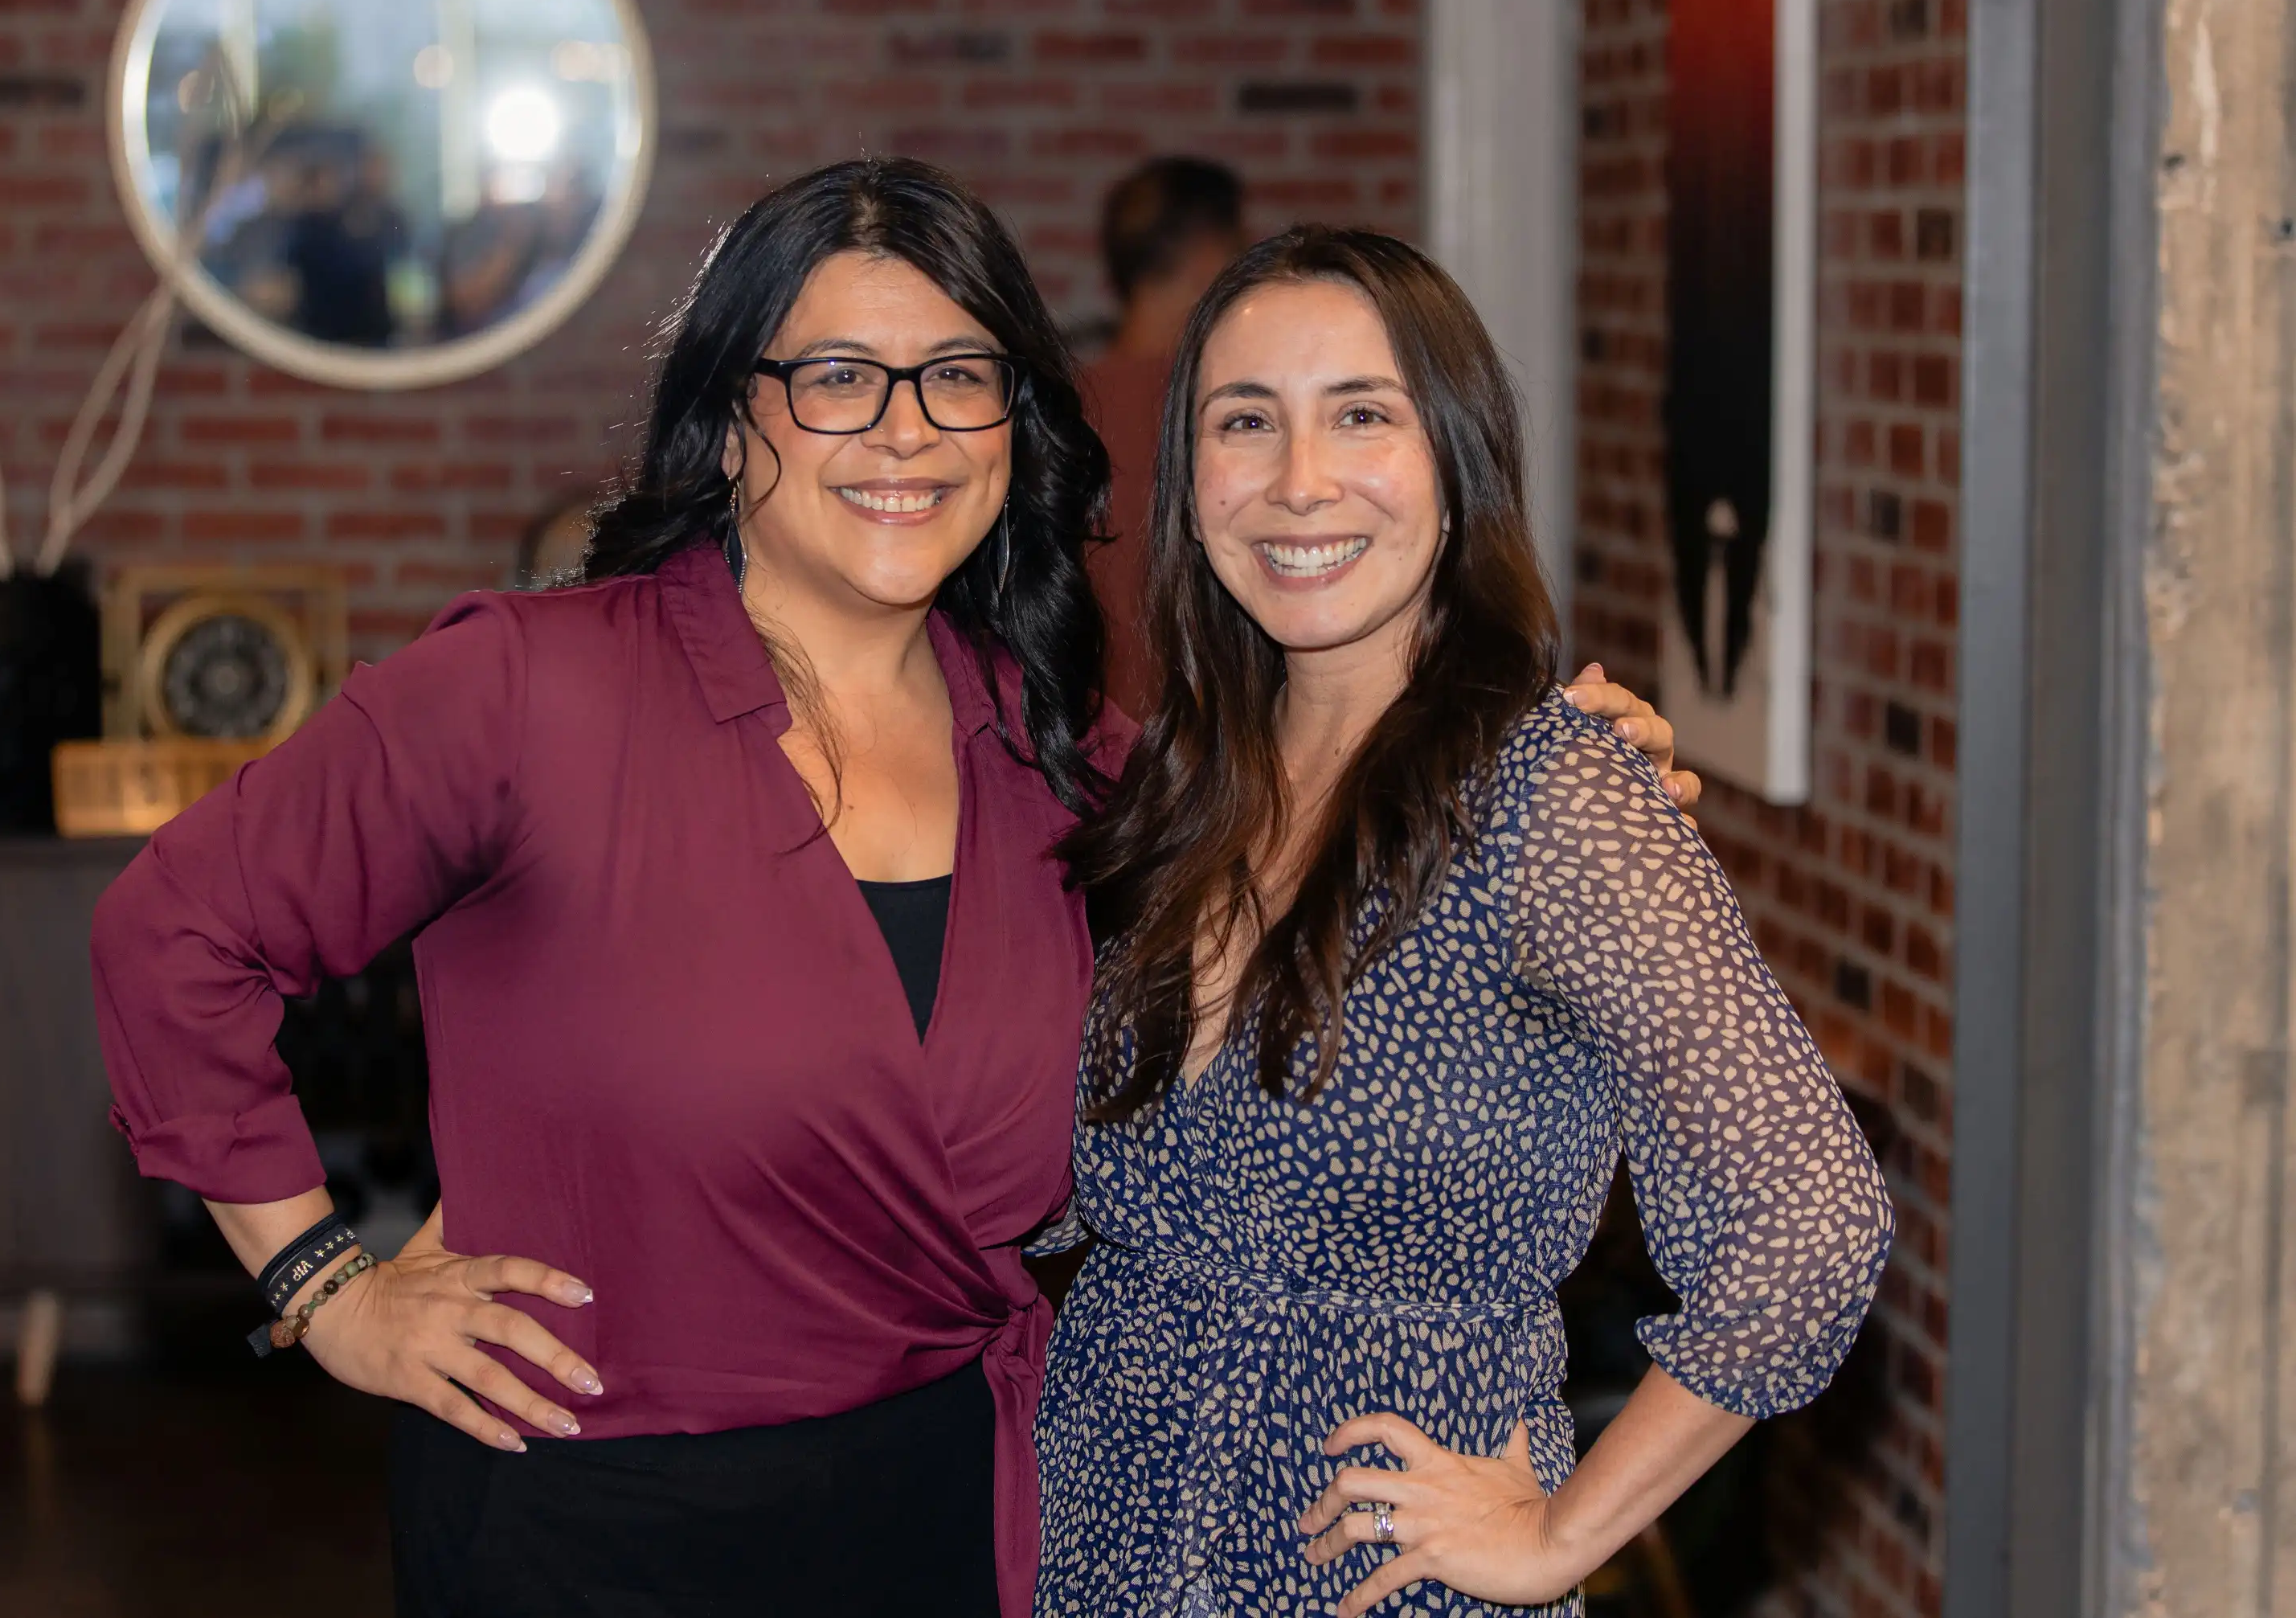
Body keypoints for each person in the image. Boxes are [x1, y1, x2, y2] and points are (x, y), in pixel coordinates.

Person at [92, 160, 1696, 1618]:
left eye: (956, 381)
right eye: (839, 381)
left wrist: (1519, 770)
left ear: (1016, 426)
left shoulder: (1075, 767)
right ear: (733, 421)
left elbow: (1318, 836)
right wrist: (322, 1285)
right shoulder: (527, 694)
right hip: (591, 1532)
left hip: (954, 1521)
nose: (905, 434)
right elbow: (173, 936)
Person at [1033, 228, 1892, 1616]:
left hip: (1381, 1568)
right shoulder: (1172, 790)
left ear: (1455, 462)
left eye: (1360, 415)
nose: (1299, 480)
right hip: (1102, 1536)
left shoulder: (1548, 795)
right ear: (1193, 487)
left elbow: (1808, 1218)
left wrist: (1561, 1534)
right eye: (1245, 423)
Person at [1081, 158, 1248, 715]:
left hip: (1086, 748)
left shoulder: (1058, 410)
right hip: (1208, 744)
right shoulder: (1227, 410)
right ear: (1209, 255)